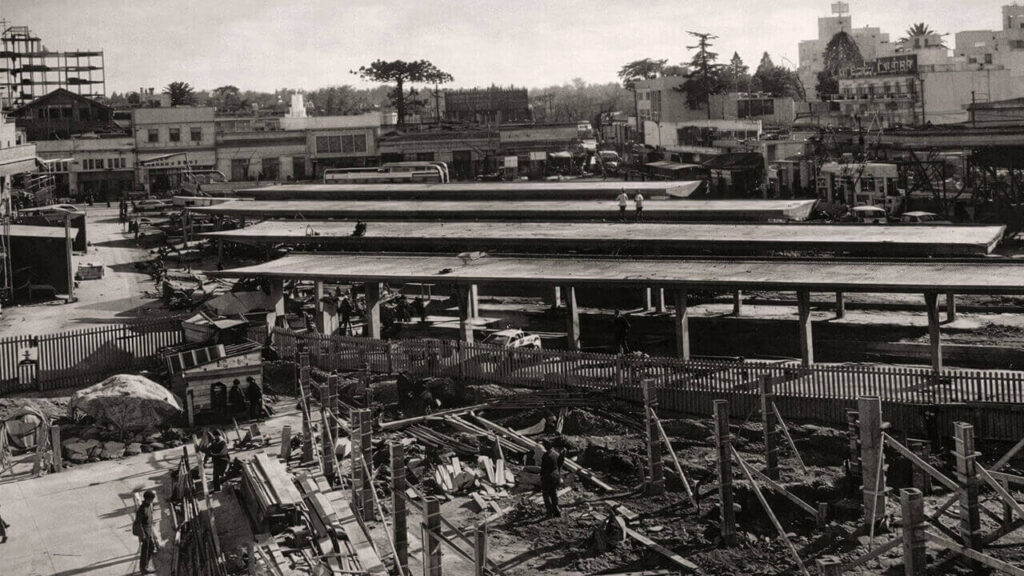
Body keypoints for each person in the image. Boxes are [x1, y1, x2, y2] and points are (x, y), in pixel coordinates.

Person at [133, 490, 158, 574]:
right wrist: (142, 535)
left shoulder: (149, 505)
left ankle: (145, 565)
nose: (153, 500)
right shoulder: (142, 509)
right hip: (144, 533)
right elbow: (138, 523)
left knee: (150, 547)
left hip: (149, 531)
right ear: (148, 498)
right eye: (152, 498)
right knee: (145, 550)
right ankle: (143, 568)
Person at [540, 439, 565, 517]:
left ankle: (549, 512)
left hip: (548, 476)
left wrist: (541, 476)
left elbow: (543, 468)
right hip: (555, 475)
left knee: (546, 495)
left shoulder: (545, 456)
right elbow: (559, 464)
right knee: (553, 493)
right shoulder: (555, 454)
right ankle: (556, 510)